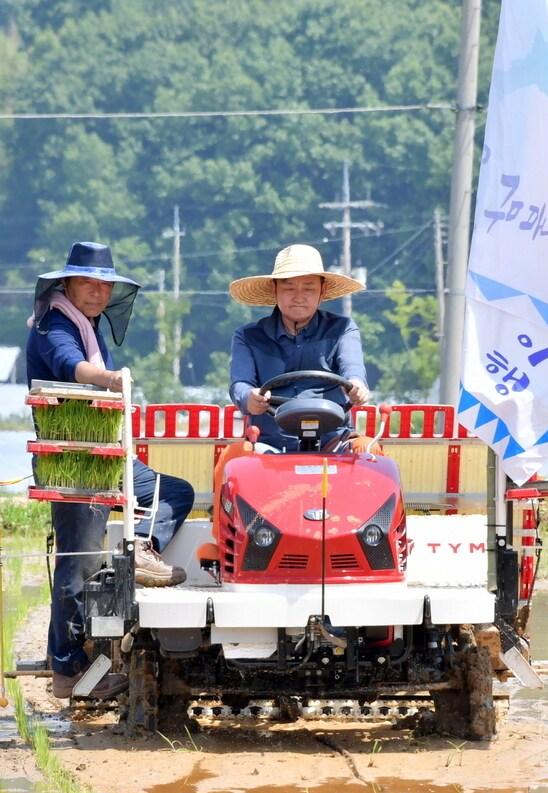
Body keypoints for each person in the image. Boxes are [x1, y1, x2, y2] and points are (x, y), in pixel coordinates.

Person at [26, 241, 195, 700]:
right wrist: (110, 379)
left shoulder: (88, 324)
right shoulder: (54, 323)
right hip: (74, 461)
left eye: (104, 285)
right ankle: (68, 670)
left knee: (173, 491)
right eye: (88, 283)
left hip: (108, 456)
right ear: (67, 284)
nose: (98, 293)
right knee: (78, 564)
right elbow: (68, 366)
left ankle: (143, 544)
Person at [227, 244, 371, 452]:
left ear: (322, 291)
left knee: (368, 451)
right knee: (234, 459)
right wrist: (250, 397)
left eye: (309, 288)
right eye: (289, 287)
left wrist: (356, 386)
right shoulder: (248, 336)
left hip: (334, 443)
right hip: (269, 446)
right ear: (274, 290)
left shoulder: (343, 329)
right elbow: (240, 384)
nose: (299, 296)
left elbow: (353, 369)